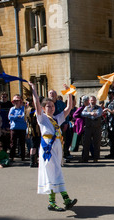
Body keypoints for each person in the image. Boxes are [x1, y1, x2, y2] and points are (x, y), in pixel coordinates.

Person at [30, 82, 77, 212]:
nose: (50, 108)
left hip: (57, 147)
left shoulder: (57, 118)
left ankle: (62, 200)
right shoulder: (42, 118)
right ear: (44, 108)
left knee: (56, 172)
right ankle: (57, 200)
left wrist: (69, 93)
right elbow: (36, 104)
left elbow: (69, 108)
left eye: (52, 106)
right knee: (53, 173)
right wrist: (34, 89)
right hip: (47, 149)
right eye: (48, 106)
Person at [81, 96, 103, 163]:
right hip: (88, 128)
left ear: (96, 101)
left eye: (94, 100)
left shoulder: (99, 108)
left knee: (97, 143)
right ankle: (85, 158)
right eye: (91, 100)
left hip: (97, 128)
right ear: (89, 101)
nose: (92, 101)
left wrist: (89, 115)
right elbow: (82, 113)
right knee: (86, 143)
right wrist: (90, 113)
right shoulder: (86, 108)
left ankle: (96, 158)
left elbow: (98, 114)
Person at [8, 94, 27, 162]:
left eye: (17, 100)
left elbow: (23, 117)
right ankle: (12, 156)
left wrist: (15, 117)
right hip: (14, 128)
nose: (16, 102)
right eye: (15, 101)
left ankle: (23, 156)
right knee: (13, 143)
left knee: (22, 143)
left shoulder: (24, 108)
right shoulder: (12, 109)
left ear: (20, 101)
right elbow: (10, 117)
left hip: (22, 128)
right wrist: (17, 116)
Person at [25, 97, 41, 167]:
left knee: (34, 146)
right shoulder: (33, 110)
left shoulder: (27, 110)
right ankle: (33, 162)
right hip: (35, 130)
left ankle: (34, 161)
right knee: (34, 146)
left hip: (32, 130)